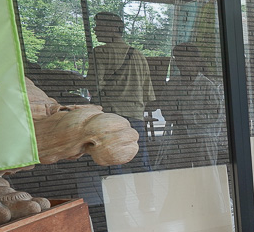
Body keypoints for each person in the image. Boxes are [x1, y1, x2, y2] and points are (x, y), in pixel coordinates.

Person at [89, 12, 155, 171]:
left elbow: (93, 86)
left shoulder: (101, 53)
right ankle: (148, 194)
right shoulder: (139, 55)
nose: (95, 29)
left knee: (112, 160)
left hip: (111, 115)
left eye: (98, 25)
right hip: (136, 115)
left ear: (112, 28)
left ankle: (116, 194)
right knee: (140, 161)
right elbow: (148, 94)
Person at [171, 43, 224, 167]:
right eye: (177, 59)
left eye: (183, 59)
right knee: (180, 177)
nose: (180, 64)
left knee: (206, 177)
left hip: (203, 138)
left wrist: (185, 116)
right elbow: (166, 106)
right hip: (179, 136)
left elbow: (214, 115)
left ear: (195, 61)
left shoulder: (207, 86)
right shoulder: (172, 84)